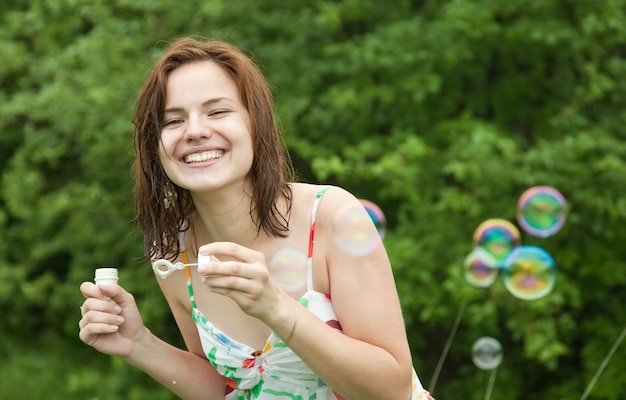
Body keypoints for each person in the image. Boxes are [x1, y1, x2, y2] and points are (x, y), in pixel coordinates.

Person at [78, 36, 434, 400]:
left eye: (217, 112)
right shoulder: (173, 253)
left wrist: (275, 307)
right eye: (173, 120)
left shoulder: (331, 216)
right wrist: (139, 344)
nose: (196, 131)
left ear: (255, 123)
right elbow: (228, 389)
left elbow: (392, 390)